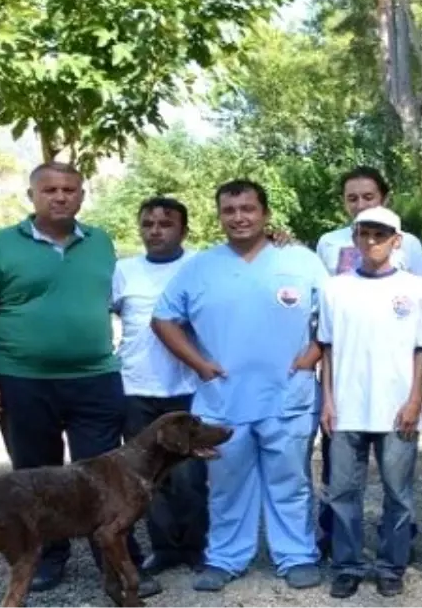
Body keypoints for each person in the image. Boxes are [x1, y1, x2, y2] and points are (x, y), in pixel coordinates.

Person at [0, 162, 156, 596]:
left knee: (109, 478)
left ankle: (119, 565)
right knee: (35, 478)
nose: (61, 196)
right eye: (50, 189)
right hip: (22, 381)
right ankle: (47, 559)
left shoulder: (101, 243)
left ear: (82, 195)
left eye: (70, 189)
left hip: (95, 379)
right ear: (31, 196)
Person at [151, 179, 328, 593]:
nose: (239, 217)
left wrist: (313, 354)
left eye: (248, 209)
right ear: (219, 217)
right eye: (229, 211)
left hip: (287, 394)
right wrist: (200, 364)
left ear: (265, 214)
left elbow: (335, 318)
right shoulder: (199, 268)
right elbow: (162, 319)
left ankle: (296, 555)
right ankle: (226, 557)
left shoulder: (300, 261)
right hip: (222, 399)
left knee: (291, 481)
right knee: (226, 483)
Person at [313, 166, 422, 555]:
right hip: (347, 404)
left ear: (396, 240)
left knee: (398, 491)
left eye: (379, 234)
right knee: (344, 490)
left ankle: (392, 562)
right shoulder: (336, 287)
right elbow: (327, 345)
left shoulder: (415, 287)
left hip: (396, 403)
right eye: (364, 233)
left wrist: (416, 398)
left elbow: (421, 346)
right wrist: (328, 400)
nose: (371, 240)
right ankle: (346, 563)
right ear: (354, 237)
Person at [112, 197, 208, 577]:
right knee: (148, 478)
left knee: (190, 476)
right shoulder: (124, 270)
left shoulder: (200, 266)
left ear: (183, 230)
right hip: (135, 387)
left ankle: (196, 547)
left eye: (166, 223)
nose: (156, 230)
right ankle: (164, 548)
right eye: (148, 223)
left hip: (186, 387)